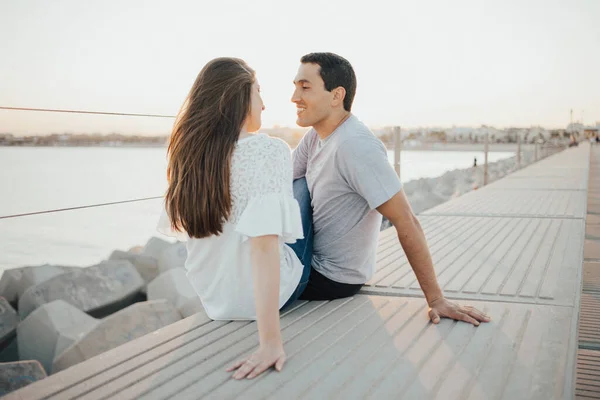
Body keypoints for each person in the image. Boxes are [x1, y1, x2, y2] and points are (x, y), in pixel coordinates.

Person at [290, 52, 491, 326]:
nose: (294, 97)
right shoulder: (316, 137)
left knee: (238, 269)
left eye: (305, 87)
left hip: (329, 278)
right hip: (310, 256)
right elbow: (279, 182)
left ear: (337, 96)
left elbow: (405, 218)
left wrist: (435, 299)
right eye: (295, 87)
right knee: (288, 184)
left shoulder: (356, 146)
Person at [157, 58, 313, 380]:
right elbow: (264, 246)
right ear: (240, 96)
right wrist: (270, 342)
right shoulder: (269, 150)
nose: (265, 104)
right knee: (303, 187)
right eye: (259, 92)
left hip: (215, 300)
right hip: (268, 298)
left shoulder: (189, 155)